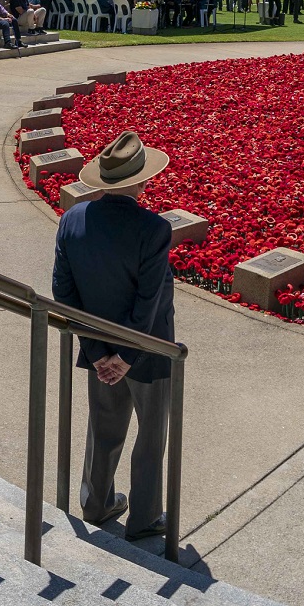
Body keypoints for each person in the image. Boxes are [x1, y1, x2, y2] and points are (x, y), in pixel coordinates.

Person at [51, 133, 180, 540]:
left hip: (97, 344)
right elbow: (148, 300)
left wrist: (98, 351)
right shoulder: (153, 228)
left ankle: (97, 502)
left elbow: (63, 292)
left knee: (104, 425)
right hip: (149, 349)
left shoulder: (72, 219)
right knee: (151, 433)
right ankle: (144, 518)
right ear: (142, 182)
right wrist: (126, 355)